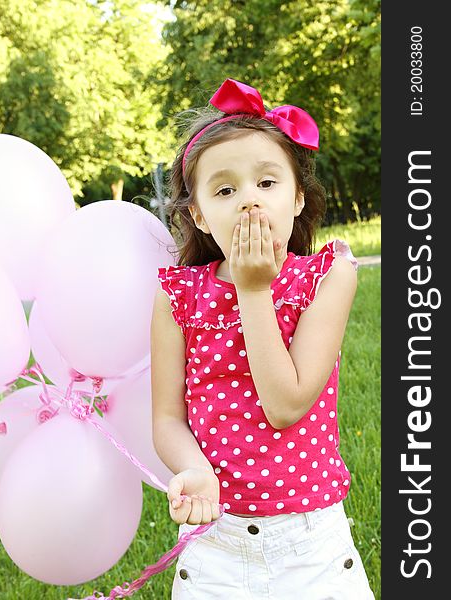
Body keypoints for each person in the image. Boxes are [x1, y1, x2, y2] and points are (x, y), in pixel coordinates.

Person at [151, 78, 375, 599]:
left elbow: (286, 404)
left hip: (311, 542)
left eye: (267, 183)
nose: (249, 201)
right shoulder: (178, 296)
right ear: (200, 214)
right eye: (225, 189)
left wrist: (254, 292)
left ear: (297, 198)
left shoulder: (327, 275)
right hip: (216, 545)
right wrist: (194, 470)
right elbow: (166, 418)